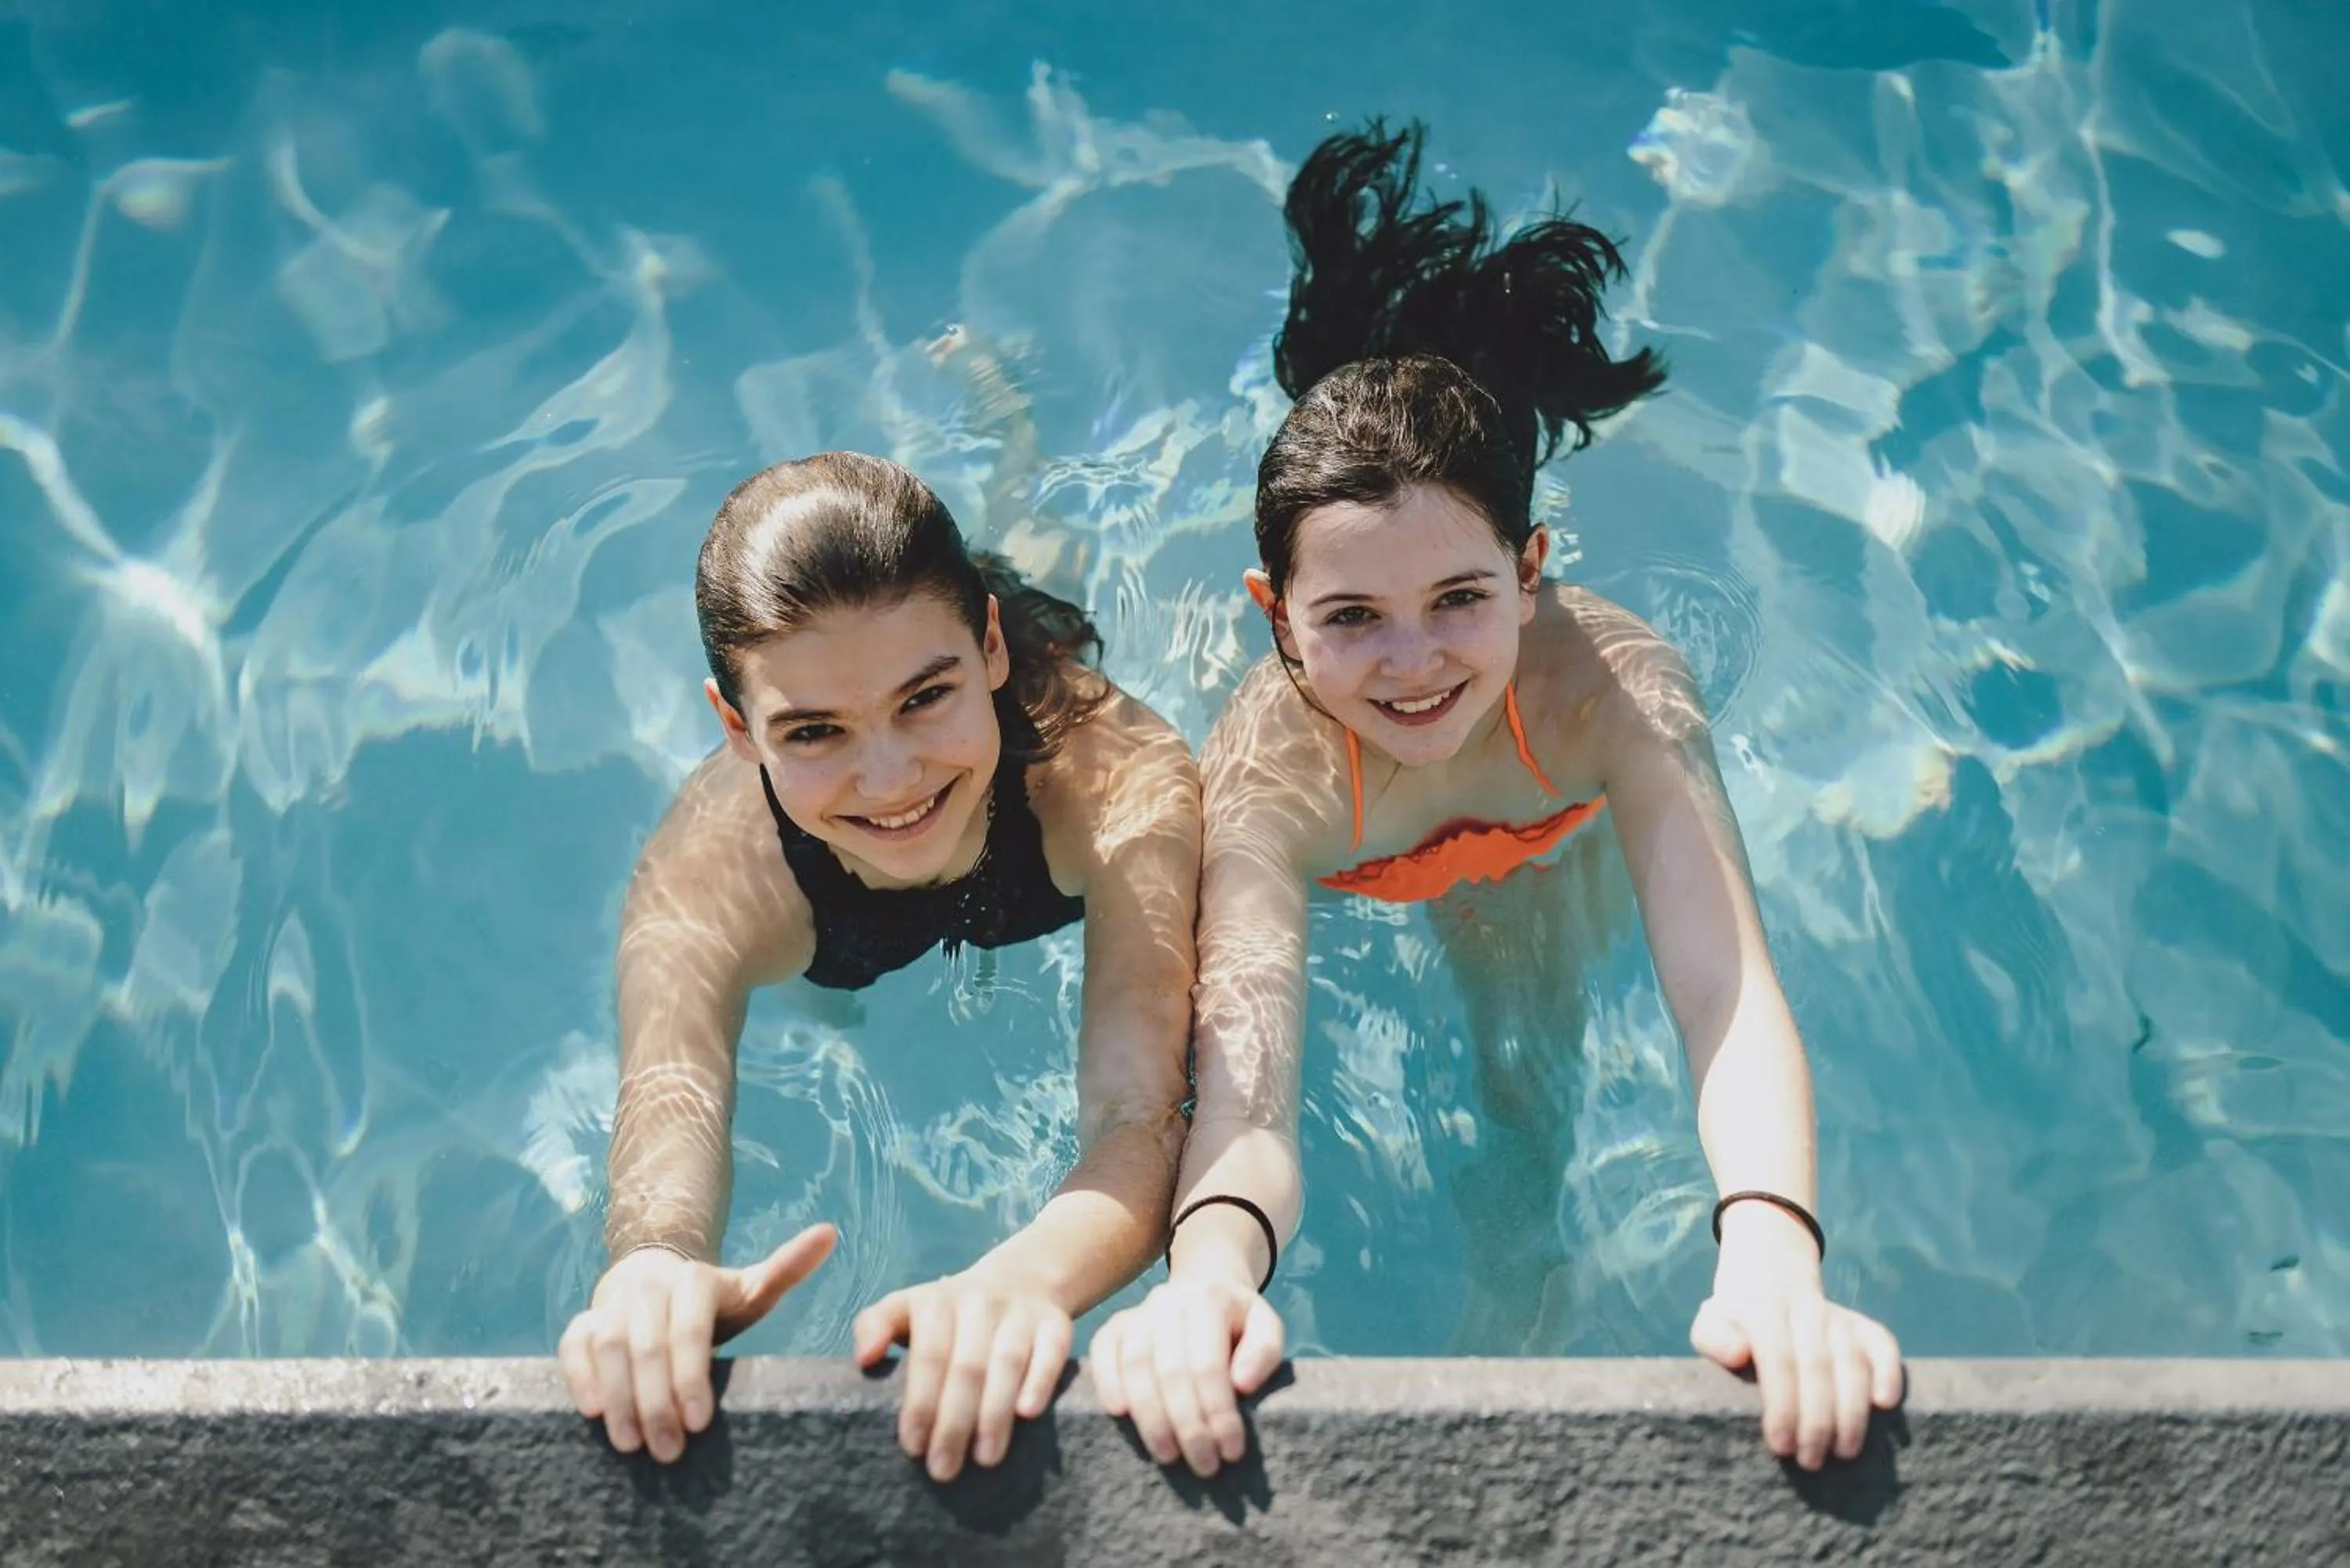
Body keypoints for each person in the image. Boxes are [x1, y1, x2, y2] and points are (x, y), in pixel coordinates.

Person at [1087, 123, 1904, 1476]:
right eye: (1351, 616)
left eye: (1460, 598)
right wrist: (1210, 1272)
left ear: (1532, 571)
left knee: (1531, 1081)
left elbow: (1726, 989)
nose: (1413, 667)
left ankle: (1526, 1247)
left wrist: (1771, 1248)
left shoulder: (1609, 689)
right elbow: (1249, 1089)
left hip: (1540, 833)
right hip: (1352, 849)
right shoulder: (1269, 769)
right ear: (1274, 617)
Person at [559, 451, 1199, 1480]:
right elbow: (669, 1099)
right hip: (833, 926)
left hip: (1026, 779)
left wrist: (1023, 1280)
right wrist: (653, 1266)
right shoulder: (713, 875)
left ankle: (1013, 451)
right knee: (831, 1012)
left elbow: (1143, 1113)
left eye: (924, 695)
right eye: (813, 730)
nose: (891, 778)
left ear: (989, 648)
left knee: (1037, 555)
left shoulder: (1116, 778)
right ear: (736, 730)